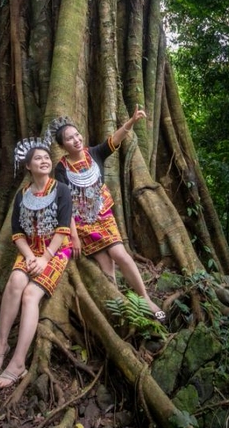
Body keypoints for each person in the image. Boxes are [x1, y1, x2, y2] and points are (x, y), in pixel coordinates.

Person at [49, 106, 165, 321]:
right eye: (69, 138)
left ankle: (145, 298)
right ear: (63, 145)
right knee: (105, 266)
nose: (75, 140)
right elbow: (65, 205)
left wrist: (131, 121)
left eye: (77, 135)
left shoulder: (94, 153)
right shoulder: (61, 168)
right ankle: (119, 304)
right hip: (82, 223)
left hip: (103, 216)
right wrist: (73, 236)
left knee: (120, 254)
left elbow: (115, 139)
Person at [0, 138, 72, 389]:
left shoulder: (61, 189)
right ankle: (1, 346)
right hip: (29, 251)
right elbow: (16, 232)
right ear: (28, 166)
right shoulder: (22, 195)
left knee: (30, 294)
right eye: (38, 158)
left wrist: (45, 258)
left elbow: (64, 229)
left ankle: (18, 362)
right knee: (15, 282)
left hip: (56, 252)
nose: (44, 160)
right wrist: (31, 256)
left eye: (47, 157)